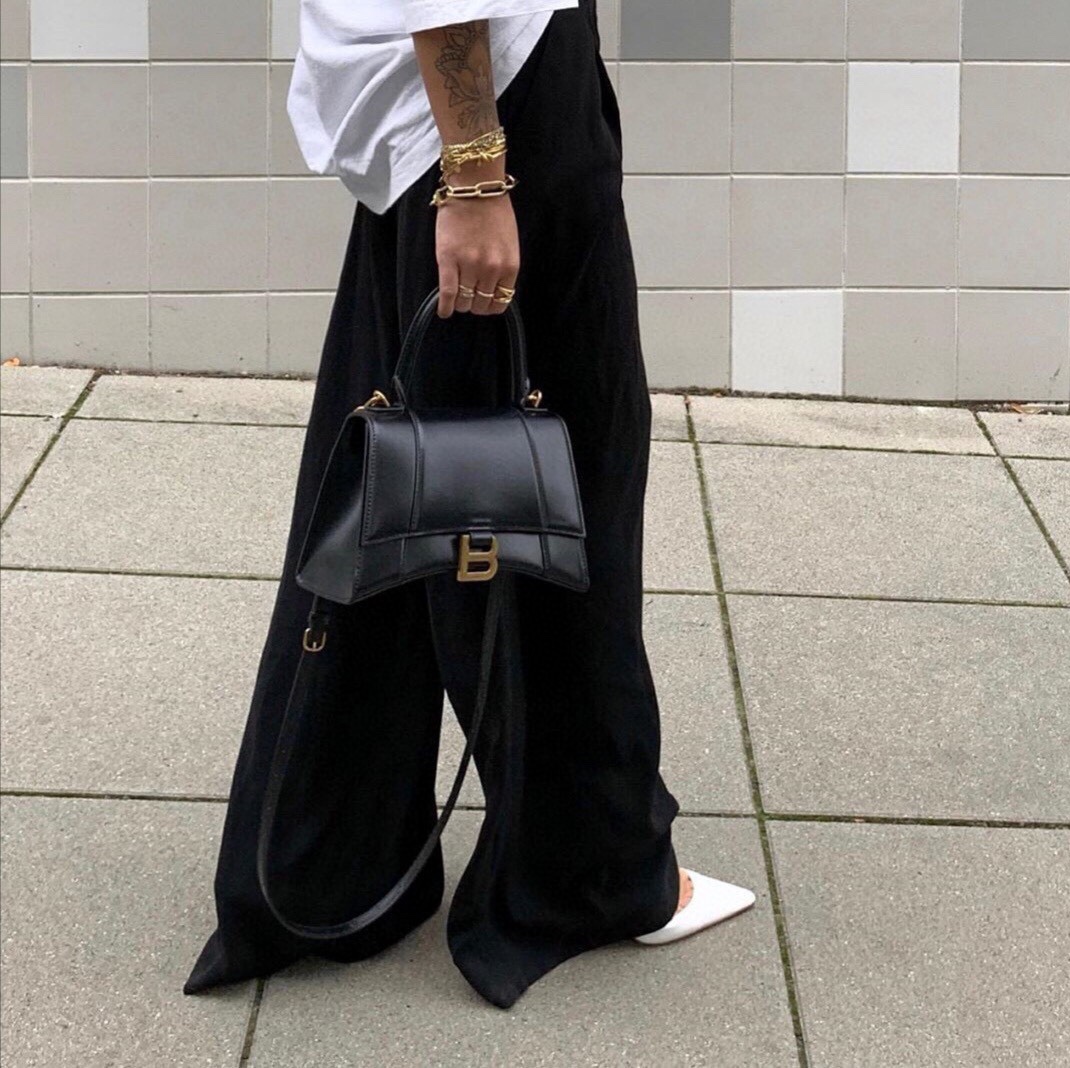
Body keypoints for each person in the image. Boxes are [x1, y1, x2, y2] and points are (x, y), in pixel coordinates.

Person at [182, 0, 754, 1011]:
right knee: (557, 485)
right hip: (493, 106)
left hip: (460, 112)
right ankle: (592, 869)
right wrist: (478, 175)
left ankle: (328, 862)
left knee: (401, 479)